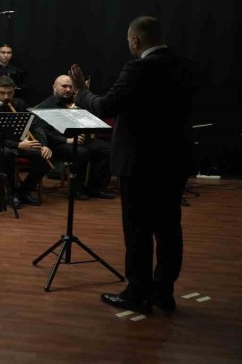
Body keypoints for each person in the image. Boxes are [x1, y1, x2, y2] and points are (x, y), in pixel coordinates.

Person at [69, 16, 196, 314]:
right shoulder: (185, 65)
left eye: (128, 39)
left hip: (140, 163)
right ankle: (163, 293)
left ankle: (137, 294)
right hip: (175, 160)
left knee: (138, 230)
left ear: (136, 39)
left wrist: (82, 91)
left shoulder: (139, 67)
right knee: (168, 228)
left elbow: (106, 106)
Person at [35, 75, 115, 200]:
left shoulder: (77, 103)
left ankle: (96, 188)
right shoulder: (44, 106)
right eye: (64, 86)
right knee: (81, 152)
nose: (68, 90)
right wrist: (68, 140)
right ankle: (76, 190)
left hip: (79, 140)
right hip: (58, 143)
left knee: (107, 150)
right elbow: (44, 132)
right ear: (54, 87)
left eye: (70, 87)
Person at [0, 76, 52, 207]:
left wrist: (43, 145)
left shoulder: (20, 104)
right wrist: (17, 145)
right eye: (2, 93)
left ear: (14, 91)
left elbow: (35, 126)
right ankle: (10, 194)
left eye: (10, 93)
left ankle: (23, 191)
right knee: (7, 153)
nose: (6, 97)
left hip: (19, 145)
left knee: (44, 158)